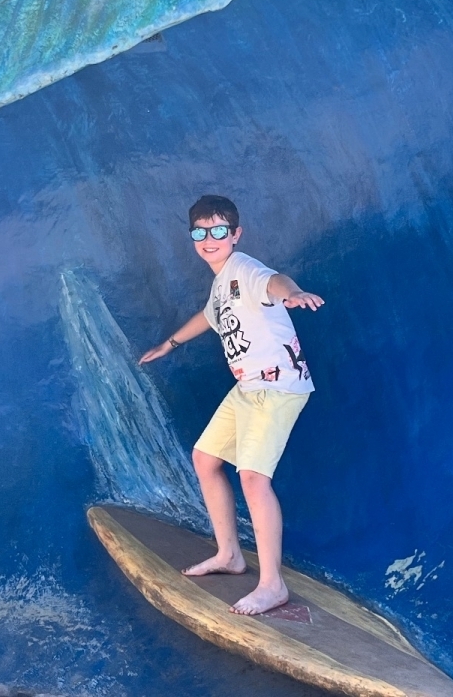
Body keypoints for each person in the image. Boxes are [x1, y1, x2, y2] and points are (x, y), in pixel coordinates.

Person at [139, 195, 324, 615]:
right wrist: (168, 345)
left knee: (253, 479)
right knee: (205, 459)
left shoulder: (243, 268)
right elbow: (209, 316)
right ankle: (229, 554)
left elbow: (274, 281)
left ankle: (273, 585)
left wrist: (293, 293)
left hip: (277, 387)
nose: (210, 238)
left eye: (219, 230)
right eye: (200, 232)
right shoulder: (222, 282)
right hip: (248, 387)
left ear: (235, 234)